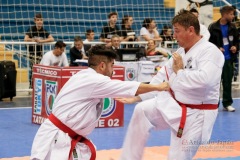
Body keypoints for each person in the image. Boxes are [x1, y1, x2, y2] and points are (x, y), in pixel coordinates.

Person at [117, 9, 224, 160]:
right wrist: (137, 97)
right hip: (176, 105)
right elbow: (162, 77)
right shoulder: (181, 51)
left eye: (177, 31)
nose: (174, 36)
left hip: (197, 115)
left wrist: (180, 71)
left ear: (191, 30)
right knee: (141, 110)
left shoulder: (210, 52)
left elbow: (205, 80)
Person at [30, 45, 169, 160]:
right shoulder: (95, 80)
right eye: (112, 65)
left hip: (64, 137)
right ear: (102, 66)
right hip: (56, 140)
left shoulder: (84, 75)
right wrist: (158, 87)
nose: (113, 70)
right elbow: (128, 87)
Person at [208, 6, 239, 112]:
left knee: (227, 82)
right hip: (215, 60)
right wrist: (217, 48)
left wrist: (235, 47)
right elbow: (208, 43)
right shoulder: (212, 27)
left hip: (228, 59)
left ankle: (227, 103)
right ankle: (213, 103)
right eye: (231, 14)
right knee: (214, 83)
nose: (233, 16)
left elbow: (237, 41)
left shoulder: (233, 27)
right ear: (224, 14)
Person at [24, 13, 54, 88]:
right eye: (38, 20)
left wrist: (42, 41)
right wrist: (33, 40)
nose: (40, 22)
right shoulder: (31, 29)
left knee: (40, 69)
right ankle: (31, 86)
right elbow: (26, 39)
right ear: (35, 21)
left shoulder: (44, 30)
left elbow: (52, 38)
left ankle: (39, 85)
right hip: (31, 52)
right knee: (33, 69)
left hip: (40, 52)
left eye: (41, 20)